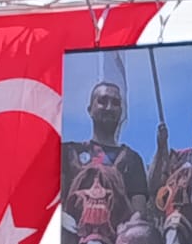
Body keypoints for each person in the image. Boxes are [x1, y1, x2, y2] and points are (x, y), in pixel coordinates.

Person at [63, 82, 151, 218]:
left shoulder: (132, 159)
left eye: (115, 103)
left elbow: (139, 213)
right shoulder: (69, 153)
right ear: (90, 109)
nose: (109, 107)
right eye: (102, 101)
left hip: (118, 235)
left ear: (121, 111)